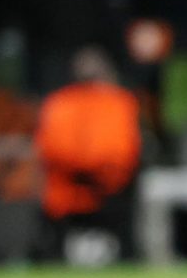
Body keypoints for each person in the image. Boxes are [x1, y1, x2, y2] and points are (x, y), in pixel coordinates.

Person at [35, 46, 143, 263]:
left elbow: (48, 149)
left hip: (75, 191)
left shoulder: (59, 102)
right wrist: (98, 174)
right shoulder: (119, 102)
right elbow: (124, 153)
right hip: (100, 193)